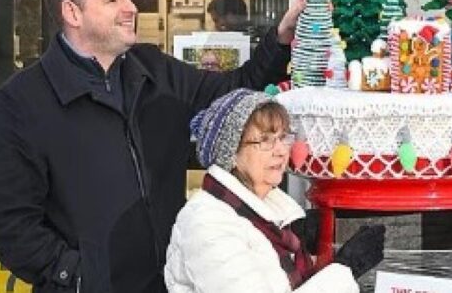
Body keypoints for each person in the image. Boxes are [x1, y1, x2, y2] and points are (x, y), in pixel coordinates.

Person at [0, 0, 304, 292]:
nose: (131, 7)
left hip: (167, 284)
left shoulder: (154, 71)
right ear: (72, 12)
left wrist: (281, 40)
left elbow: (235, 91)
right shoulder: (22, 102)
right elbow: (11, 225)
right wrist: (79, 275)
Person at [165, 89, 386, 292]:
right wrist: (345, 270)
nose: (281, 151)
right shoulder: (206, 224)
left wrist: (299, 236)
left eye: (283, 137)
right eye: (265, 141)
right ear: (231, 154)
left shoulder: (270, 213)